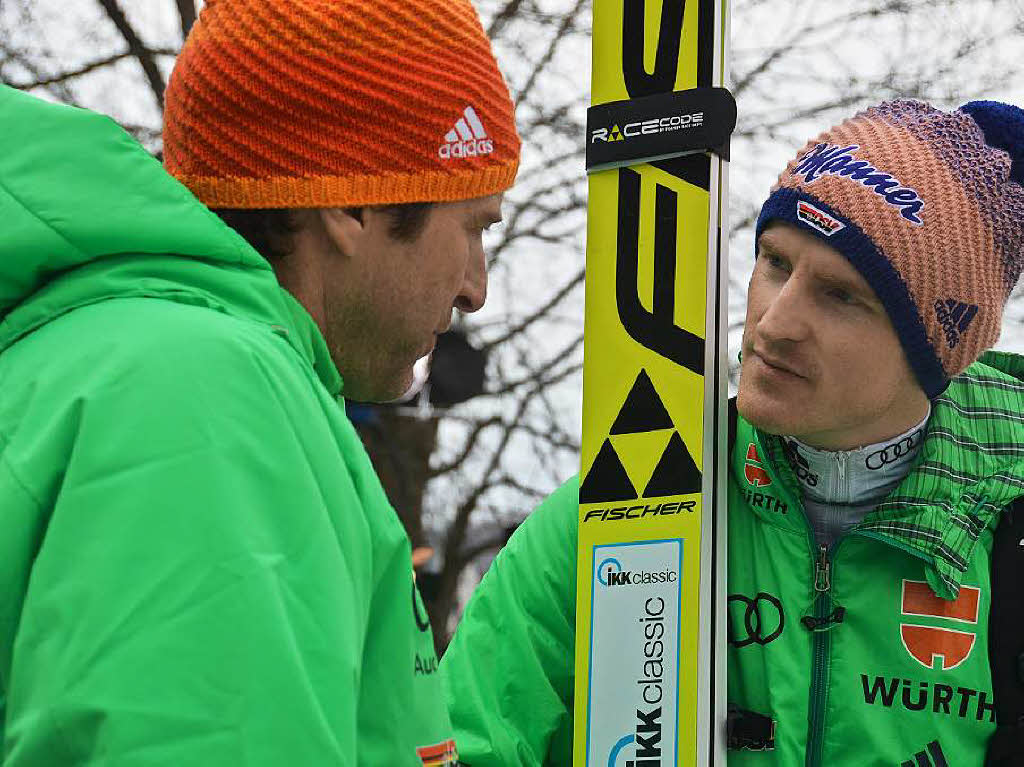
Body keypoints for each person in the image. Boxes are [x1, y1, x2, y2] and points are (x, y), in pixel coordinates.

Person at [0, 0, 517, 763]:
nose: (476, 286)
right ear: (352, 197)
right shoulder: (209, 398)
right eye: (472, 225)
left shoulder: (125, 361)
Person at [440, 99, 1024, 765]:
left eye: (841, 296)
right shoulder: (626, 508)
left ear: (937, 352)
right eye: (775, 263)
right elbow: (462, 739)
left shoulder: (1009, 535)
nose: (773, 323)